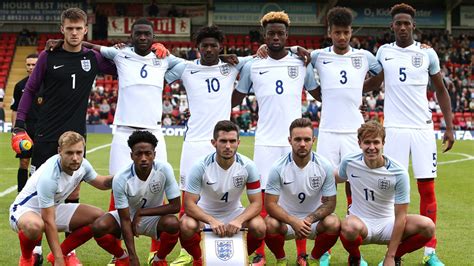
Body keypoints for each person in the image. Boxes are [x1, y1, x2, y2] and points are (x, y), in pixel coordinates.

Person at [11, 8, 116, 264]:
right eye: (69, 28)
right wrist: (20, 124)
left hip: (76, 137)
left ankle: (68, 252)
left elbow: (123, 65)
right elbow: (30, 88)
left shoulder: (92, 58)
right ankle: (33, 252)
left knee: (72, 193)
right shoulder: (48, 56)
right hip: (46, 135)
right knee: (37, 190)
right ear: (62, 29)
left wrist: (117, 49)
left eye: (79, 28)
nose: (74, 33)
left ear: (85, 30)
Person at [364, 4, 455, 265]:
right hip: (394, 130)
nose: (402, 27)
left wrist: (448, 127)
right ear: (392, 26)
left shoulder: (427, 54)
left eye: (407, 23)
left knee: (427, 188)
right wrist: (350, 93)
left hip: (423, 129)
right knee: (393, 191)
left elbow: (441, 90)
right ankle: (395, 252)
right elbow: (373, 83)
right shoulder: (383, 52)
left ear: (413, 26)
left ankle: (430, 253)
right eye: (398, 23)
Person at [233, 11, 318, 265]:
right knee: (259, 200)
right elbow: (235, 99)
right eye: (271, 33)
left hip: (296, 141)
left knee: (299, 195)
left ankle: (301, 253)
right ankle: (260, 253)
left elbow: (319, 93)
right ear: (264, 36)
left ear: (287, 35)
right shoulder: (252, 65)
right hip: (266, 142)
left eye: (281, 33)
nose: (276, 37)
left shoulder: (302, 62)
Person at [164, 25, 252, 265]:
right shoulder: (186, 67)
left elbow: (260, 55)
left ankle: (230, 245)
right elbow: (162, 58)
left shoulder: (232, 65)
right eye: (205, 46)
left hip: (222, 141)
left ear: (220, 47)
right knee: (188, 200)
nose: (210, 49)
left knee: (221, 191)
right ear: (198, 48)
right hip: (194, 142)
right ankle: (188, 251)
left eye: (214, 46)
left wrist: (226, 58)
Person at [9, 131, 115, 266]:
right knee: (35, 226)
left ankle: (59, 255)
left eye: (79, 152)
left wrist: (124, 175)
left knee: (98, 217)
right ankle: (27, 258)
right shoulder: (49, 176)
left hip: (51, 208)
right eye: (69, 153)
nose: (75, 158)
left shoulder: (83, 165)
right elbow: (48, 222)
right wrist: (60, 261)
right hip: (24, 210)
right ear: (60, 151)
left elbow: (101, 183)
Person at [336, 121, 435, 266]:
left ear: (383, 143)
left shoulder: (398, 172)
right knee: (348, 227)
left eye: (376, 142)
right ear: (359, 143)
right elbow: (336, 177)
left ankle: (395, 257)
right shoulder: (349, 162)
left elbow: (401, 216)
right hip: (361, 223)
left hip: (389, 223)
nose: (371, 147)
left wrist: (391, 255)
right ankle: (355, 258)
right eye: (367, 142)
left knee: (428, 226)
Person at [179, 120, 266, 266]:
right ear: (214, 142)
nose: (228, 146)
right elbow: (188, 205)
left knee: (259, 226)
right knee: (185, 224)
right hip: (205, 214)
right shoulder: (200, 167)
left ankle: (240, 258)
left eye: (232, 141)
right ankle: (199, 259)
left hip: (234, 213)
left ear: (238, 142)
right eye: (223, 141)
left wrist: (239, 220)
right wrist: (211, 220)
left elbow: (257, 203)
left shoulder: (248, 166)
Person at [92, 131, 180, 266]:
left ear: (154, 155)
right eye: (139, 154)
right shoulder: (121, 178)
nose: (143, 158)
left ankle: (159, 259)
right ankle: (122, 257)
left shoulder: (164, 169)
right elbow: (125, 218)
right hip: (128, 217)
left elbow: (176, 206)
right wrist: (133, 257)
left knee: (173, 223)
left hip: (153, 218)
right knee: (99, 226)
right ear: (132, 156)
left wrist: (142, 212)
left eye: (148, 153)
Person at [265, 118, 339, 266]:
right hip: (286, 222)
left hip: (312, 222)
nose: (302, 144)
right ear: (290, 140)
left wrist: (308, 220)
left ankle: (313, 259)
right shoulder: (277, 167)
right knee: (268, 223)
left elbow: (331, 204)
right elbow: (270, 205)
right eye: (297, 139)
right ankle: (281, 259)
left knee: (334, 222)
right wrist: (293, 221)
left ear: (314, 140)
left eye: (307, 139)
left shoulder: (324, 166)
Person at [10, 54, 40, 193]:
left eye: (34, 64)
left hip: (44, 129)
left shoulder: (48, 84)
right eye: (28, 64)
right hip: (26, 130)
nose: (31, 67)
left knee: (40, 165)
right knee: (23, 163)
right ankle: (21, 194)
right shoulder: (19, 86)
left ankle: (36, 192)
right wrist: (15, 130)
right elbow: (15, 110)